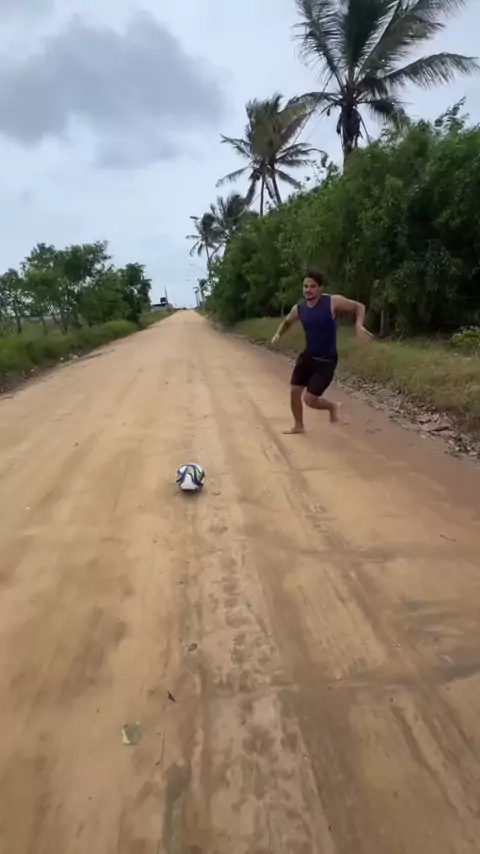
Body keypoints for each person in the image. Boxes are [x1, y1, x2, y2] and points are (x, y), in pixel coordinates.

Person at [271, 267, 372, 433]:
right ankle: (298, 426)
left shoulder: (332, 302)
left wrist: (359, 325)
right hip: (308, 357)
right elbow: (287, 322)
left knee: (309, 400)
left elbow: (359, 306)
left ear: (320, 288)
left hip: (326, 361)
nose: (308, 290)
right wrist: (278, 334)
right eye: (305, 286)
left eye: (312, 286)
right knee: (295, 390)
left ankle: (332, 407)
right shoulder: (299, 308)